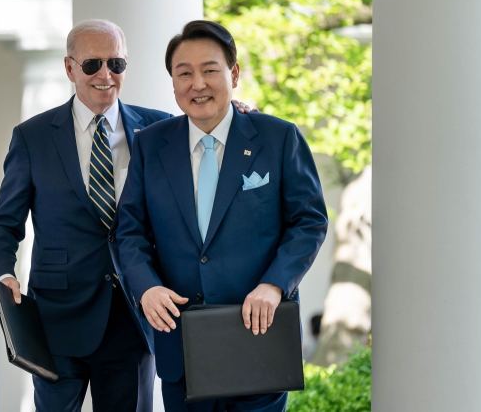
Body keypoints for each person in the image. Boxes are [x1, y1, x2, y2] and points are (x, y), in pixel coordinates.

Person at [0, 19, 254, 412]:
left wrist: (240, 112)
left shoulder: (161, 127)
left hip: (134, 316)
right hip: (58, 317)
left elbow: (212, 133)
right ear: (70, 68)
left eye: (117, 64)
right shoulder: (33, 137)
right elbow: (3, 224)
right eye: (92, 64)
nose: (105, 75)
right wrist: (1, 273)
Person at [117, 20, 328, 412]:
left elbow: (309, 221)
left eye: (209, 70)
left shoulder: (278, 137)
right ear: (174, 83)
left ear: (233, 74)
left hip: (259, 340)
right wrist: (145, 286)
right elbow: (129, 231)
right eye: (184, 73)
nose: (197, 84)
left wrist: (274, 285)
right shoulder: (150, 145)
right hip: (181, 347)